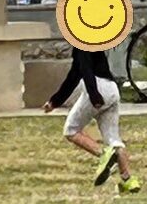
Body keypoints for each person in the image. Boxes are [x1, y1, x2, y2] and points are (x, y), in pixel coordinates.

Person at [43, 47, 141, 193]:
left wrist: (94, 96)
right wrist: (55, 101)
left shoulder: (81, 44)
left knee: (71, 130)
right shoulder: (95, 44)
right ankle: (128, 180)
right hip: (112, 89)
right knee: (113, 139)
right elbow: (74, 76)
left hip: (97, 89)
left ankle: (103, 154)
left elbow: (86, 69)